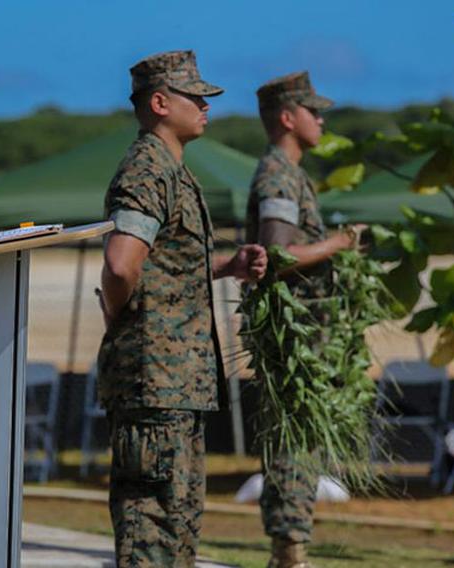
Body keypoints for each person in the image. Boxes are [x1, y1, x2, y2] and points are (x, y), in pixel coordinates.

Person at [97, 50, 268, 567]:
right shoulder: (147, 169)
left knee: (178, 520)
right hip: (154, 378)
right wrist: (124, 321)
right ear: (159, 102)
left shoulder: (172, 170)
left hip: (178, 381)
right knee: (150, 524)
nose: (205, 106)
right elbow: (122, 266)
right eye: (195, 97)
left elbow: (163, 261)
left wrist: (226, 265)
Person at [245, 71, 364, 568]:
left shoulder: (291, 173)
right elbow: (277, 254)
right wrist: (337, 244)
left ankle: (290, 546)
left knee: (302, 437)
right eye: (314, 111)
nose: (322, 119)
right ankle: (289, 548)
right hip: (291, 335)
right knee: (294, 437)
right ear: (288, 118)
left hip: (308, 331)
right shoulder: (277, 173)